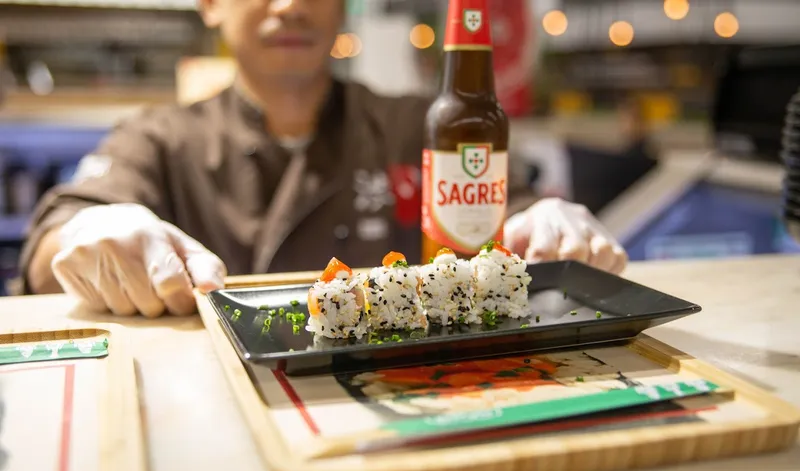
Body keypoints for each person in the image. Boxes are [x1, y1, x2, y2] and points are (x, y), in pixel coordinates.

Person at [20, 0, 627, 318]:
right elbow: (58, 236)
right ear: (210, 3)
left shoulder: (414, 122)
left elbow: (509, 207)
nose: (290, 5)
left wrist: (551, 219)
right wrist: (89, 232)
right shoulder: (161, 136)